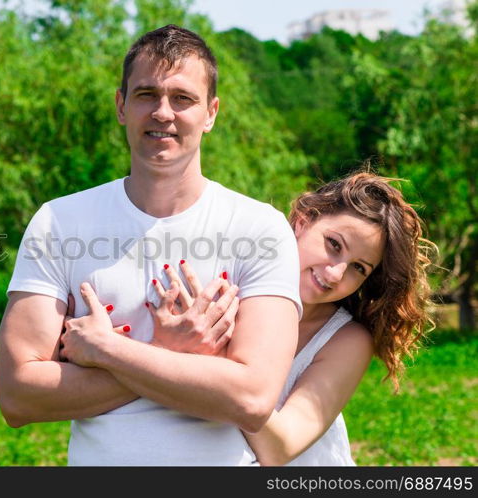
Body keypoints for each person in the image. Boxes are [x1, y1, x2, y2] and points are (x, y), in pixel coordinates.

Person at [0, 24, 302, 465]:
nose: (163, 112)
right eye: (146, 95)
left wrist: (109, 352)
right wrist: (171, 353)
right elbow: (18, 396)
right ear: (121, 106)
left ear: (211, 112)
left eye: (183, 98)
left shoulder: (259, 229)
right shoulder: (59, 222)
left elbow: (252, 399)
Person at [61, 171, 436, 465]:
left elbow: (281, 446)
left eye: (358, 268)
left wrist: (212, 365)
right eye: (333, 245)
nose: (336, 274)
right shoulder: (229, 290)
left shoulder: (346, 340)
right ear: (303, 221)